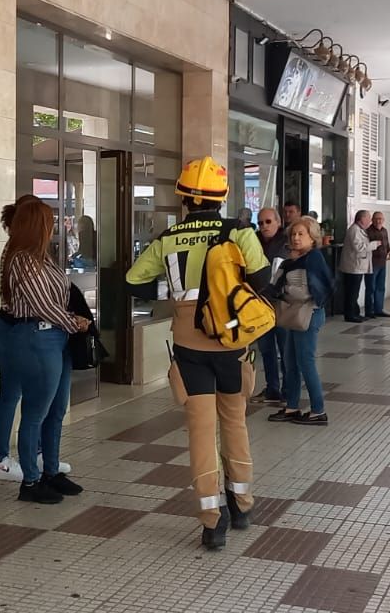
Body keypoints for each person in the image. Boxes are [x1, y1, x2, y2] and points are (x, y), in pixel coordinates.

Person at [126, 157, 268, 551]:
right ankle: (242, 505)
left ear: (184, 198)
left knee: (202, 433)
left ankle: (212, 521)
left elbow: (132, 282)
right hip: (232, 344)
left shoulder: (168, 238)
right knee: (235, 423)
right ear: (221, 198)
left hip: (189, 348)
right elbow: (262, 280)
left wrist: (174, 297)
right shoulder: (239, 233)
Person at [0, 197, 87, 504]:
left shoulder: (42, 257)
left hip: (56, 338)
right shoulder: (22, 259)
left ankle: (50, 471)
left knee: (57, 409)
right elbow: (42, 306)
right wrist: (73, 322)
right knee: (36, 412)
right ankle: (30, 482)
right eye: (50, 221)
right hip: (37, 337)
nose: (54, 226)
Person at [269, 217, 332, 426]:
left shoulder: (313, 258)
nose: (296, 238)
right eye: (293, 234)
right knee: (290, 362)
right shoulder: (292, 260)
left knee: (306, 362)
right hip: (295, 315)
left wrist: (285, 290)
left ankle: (318, 410)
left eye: (301, 234)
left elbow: (311, 290)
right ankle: (292, 406)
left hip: (308, 314)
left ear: (312, 237)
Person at [250, 207, 287, 403]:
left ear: (278, 222)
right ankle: (272, 388)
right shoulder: (253, 241)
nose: (264, 226)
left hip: (280, 304)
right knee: (266, 349)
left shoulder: (287, 242)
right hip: (260, 304)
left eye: (268, 222)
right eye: (261, 222)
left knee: (284, 348)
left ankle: (288, 389)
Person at [340, 210, 374, 323]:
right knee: (352, 292)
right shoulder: (354, 230)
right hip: (353, 267)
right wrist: (373, 245)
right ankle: (350, 315)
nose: (370, 220)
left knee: (354, 291)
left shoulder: (360, 229)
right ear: (362, 219)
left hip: (357, 266)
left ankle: (355, 313)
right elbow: (358, 247)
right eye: (368, 218)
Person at [365, 211, 390, 318]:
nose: (378, 221)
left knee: (380, 287)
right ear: (372, 220)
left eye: (380, 218)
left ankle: (379, 309)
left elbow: (387, 244)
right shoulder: (368, 232)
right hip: (372, 263)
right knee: (371, 287)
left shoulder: (384, 231)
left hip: (382, 263)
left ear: (383, 220)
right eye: (376, 218)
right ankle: (369, 311)